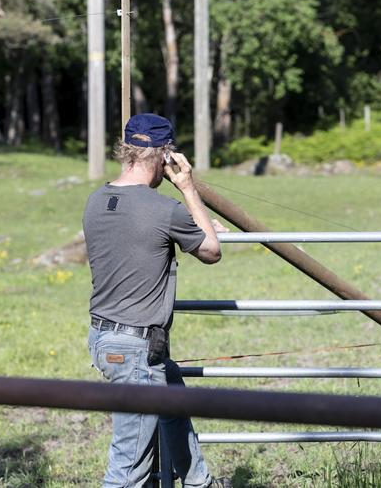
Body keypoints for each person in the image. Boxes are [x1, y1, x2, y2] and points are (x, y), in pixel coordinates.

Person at [83, 113, 230, 488]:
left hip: (105, 338)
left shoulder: (96, 201)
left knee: (173, 401)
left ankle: (198, 482)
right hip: (135, 348)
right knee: (128, 470)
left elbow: (135, 231)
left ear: (126, 150)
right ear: (166, 156)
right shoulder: (165, 210)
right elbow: (211, 251)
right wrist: (188, 189)